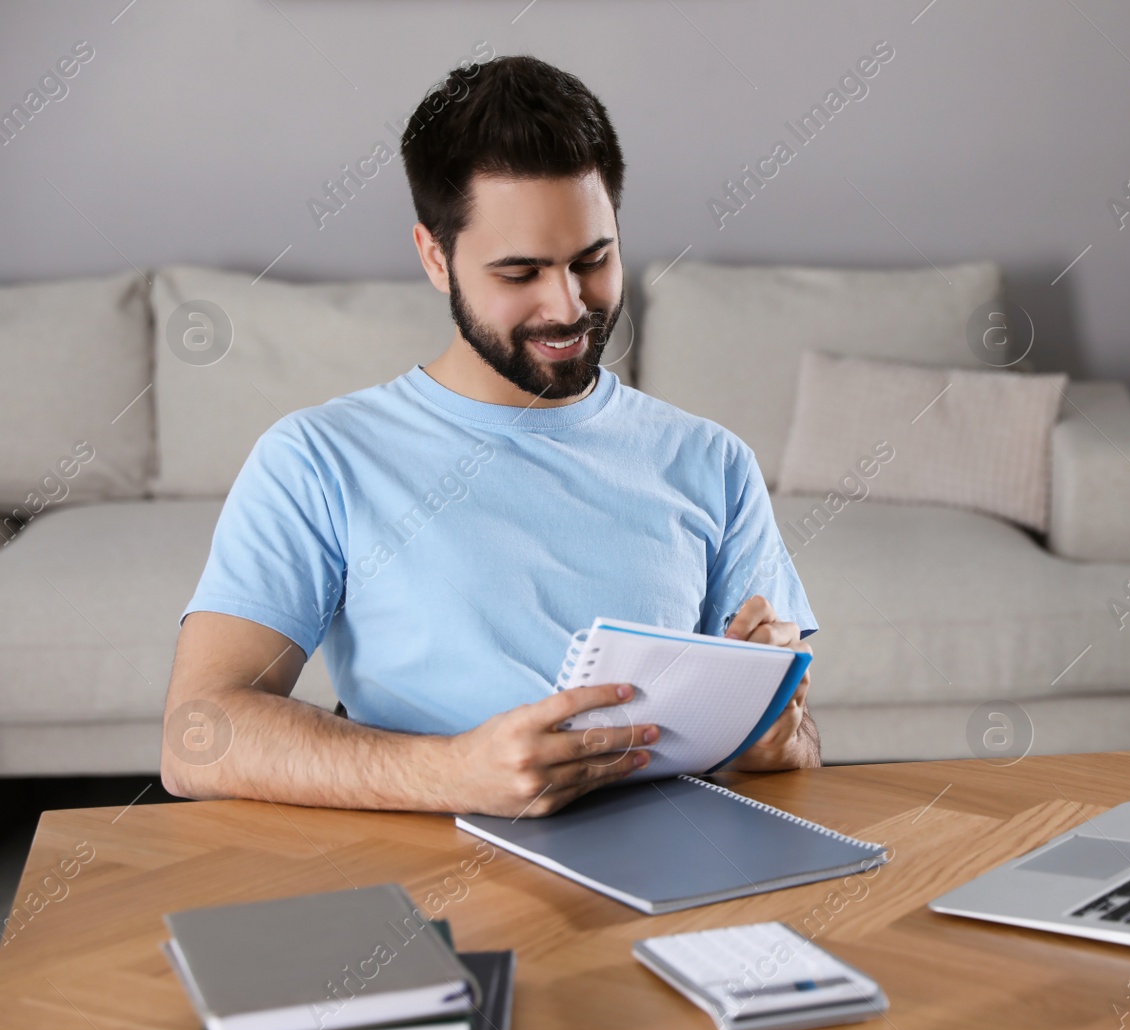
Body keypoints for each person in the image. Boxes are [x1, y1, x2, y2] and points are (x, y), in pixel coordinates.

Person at [161, 55, 819, 818]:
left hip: (660, 881)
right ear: (435, 257)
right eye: (519, 273)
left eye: (592, 260)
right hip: (428, 887)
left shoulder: (712, 462)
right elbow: (195, 733)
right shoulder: (316, 459)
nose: (568, 305)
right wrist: (450, 773)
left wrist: (777, 741)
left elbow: (798, 747)